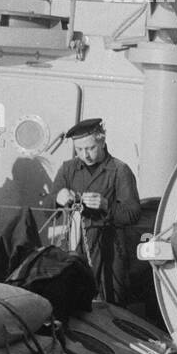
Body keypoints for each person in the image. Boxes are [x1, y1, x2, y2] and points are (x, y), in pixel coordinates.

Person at [51, 118, 141, 304]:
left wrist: (106, 205)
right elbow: (46, 210)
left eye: (90, 148)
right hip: (74, 246)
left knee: (110, 301)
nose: (85, 155)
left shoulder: (120, 170)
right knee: (72, 298)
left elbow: (132, 215)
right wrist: (58, 198)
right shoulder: (68, 169)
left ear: (102, 141)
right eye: (79, 150)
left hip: (111, 250)